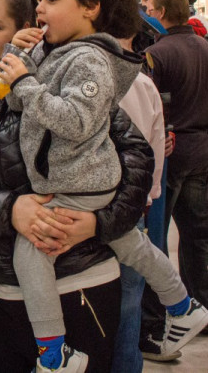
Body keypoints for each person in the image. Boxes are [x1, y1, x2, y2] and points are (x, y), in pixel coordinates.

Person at [0, 0, 155, 372]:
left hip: (80, 285)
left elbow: (137, 157)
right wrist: (9, 208)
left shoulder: (59, 88)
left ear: (27, 34)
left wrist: (98, 223)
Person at [0, 0, 206, 371]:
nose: (39, 7)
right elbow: (5, 97)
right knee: (133, 245)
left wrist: (25, 81)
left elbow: (73, 121)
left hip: (79, 184)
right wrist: (16, 58)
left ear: (90, 8)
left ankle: (54, 355)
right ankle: (182, 305)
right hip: (83, 181)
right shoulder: (60, 52)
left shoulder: (90, 59)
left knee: (30, 255)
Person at [145, 0, 208, 320]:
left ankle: (165, 313)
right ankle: (202, 304)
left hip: (171, 153)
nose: (147, 13)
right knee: (198, 237)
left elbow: (153, 108)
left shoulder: (159, 52)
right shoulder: (203, 45)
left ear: (162, 13)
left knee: (157, 240)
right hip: (201, 151)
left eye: (151, 7)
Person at [110, 33, 166, 372]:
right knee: (129, 302)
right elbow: (155, 148)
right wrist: (149, 195)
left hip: (90, 208)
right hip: (133, 207)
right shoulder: (144, 83)